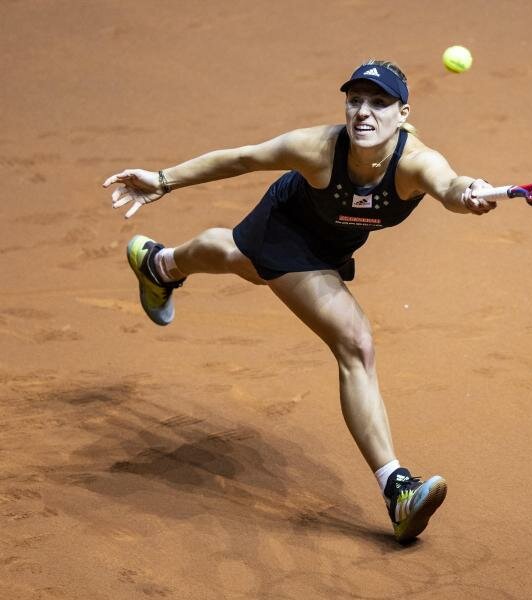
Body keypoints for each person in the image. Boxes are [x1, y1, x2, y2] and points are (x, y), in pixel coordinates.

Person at [103, 60, 497, 543]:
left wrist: (469, 192)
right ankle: (396, 489)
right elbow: (243, 158)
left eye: (379, 103)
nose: (364, 112)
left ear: (403, 113)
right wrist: (163, 180)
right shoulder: (317, 148)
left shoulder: (415, 163)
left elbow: (450, 186)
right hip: (287, 228)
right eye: (355, 100)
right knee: (355, 343)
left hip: (334, 241)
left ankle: (159, 265)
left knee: (240, 259)